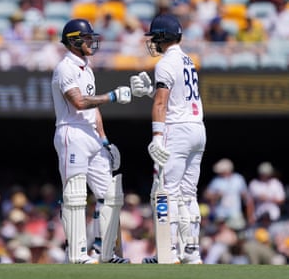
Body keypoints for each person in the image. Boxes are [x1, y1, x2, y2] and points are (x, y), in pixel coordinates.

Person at [51, 18, 132, 264]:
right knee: (75, 194)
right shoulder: (65, 67)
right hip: (71, 132)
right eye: (86, 38)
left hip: (91, 135)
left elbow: (93, 110)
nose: (91, 42)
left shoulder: (87, 67)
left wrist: (105, 140)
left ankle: (106, 254)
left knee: (110, 195)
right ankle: (76, 254)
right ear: (74, 41)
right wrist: (113, 96)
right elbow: (79, 102)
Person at [130, 14, 206, 264]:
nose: (152, 41)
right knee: (188, 194)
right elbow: (173, 97)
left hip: (177, 130)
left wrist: (157, 136)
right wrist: (148, 91)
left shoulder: (165, 63)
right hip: (197, 128)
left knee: (166, 191)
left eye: (154, 37)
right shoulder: (187, 60)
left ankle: (168, 251)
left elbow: (162, 103)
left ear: (163, 37)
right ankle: (191, 252)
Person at [203, 158, 255, 232]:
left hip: (235, 214)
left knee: (239, 234)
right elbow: (206, 195)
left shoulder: (238, 179)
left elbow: (246, 198)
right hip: (220, 215)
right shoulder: (216, 180)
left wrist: (250, 215)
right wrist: (216, 196)